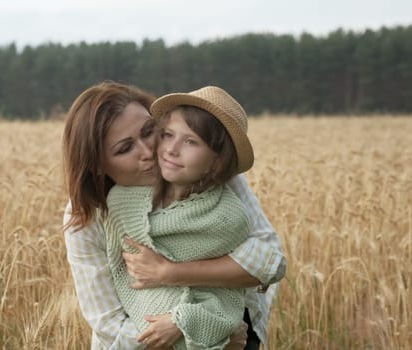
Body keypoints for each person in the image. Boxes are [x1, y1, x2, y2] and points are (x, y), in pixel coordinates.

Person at [62, 81, 286, 350]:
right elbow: (111, 327)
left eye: (149, 132)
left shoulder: (208, 172)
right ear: (97, 165)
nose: (148, 152)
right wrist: (207, 338)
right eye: (125, 149)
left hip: (234, 324)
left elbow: (269, 258)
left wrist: (170, 273)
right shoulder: (86, 216)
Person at [103, 86, 256, 349]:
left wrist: (182, 320)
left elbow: (228, 293)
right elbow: (122, 274)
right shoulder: (122, 201)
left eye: (191, 141)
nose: (170, 150)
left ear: (217, 162)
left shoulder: (228, 216)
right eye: (168, 135)